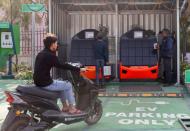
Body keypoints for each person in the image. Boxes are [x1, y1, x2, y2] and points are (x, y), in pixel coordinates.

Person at [33, 33, 82, 114]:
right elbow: (61, 65)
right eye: (56, 43)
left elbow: (57, 63)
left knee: (61, 84)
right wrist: (77, 68)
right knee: (68, 85)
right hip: (45, 83)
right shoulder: (50, 55)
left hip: (39, 82)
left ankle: (65, 107)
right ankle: (72, 108)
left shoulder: (41, 53)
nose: (57, 45)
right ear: (52, 44)